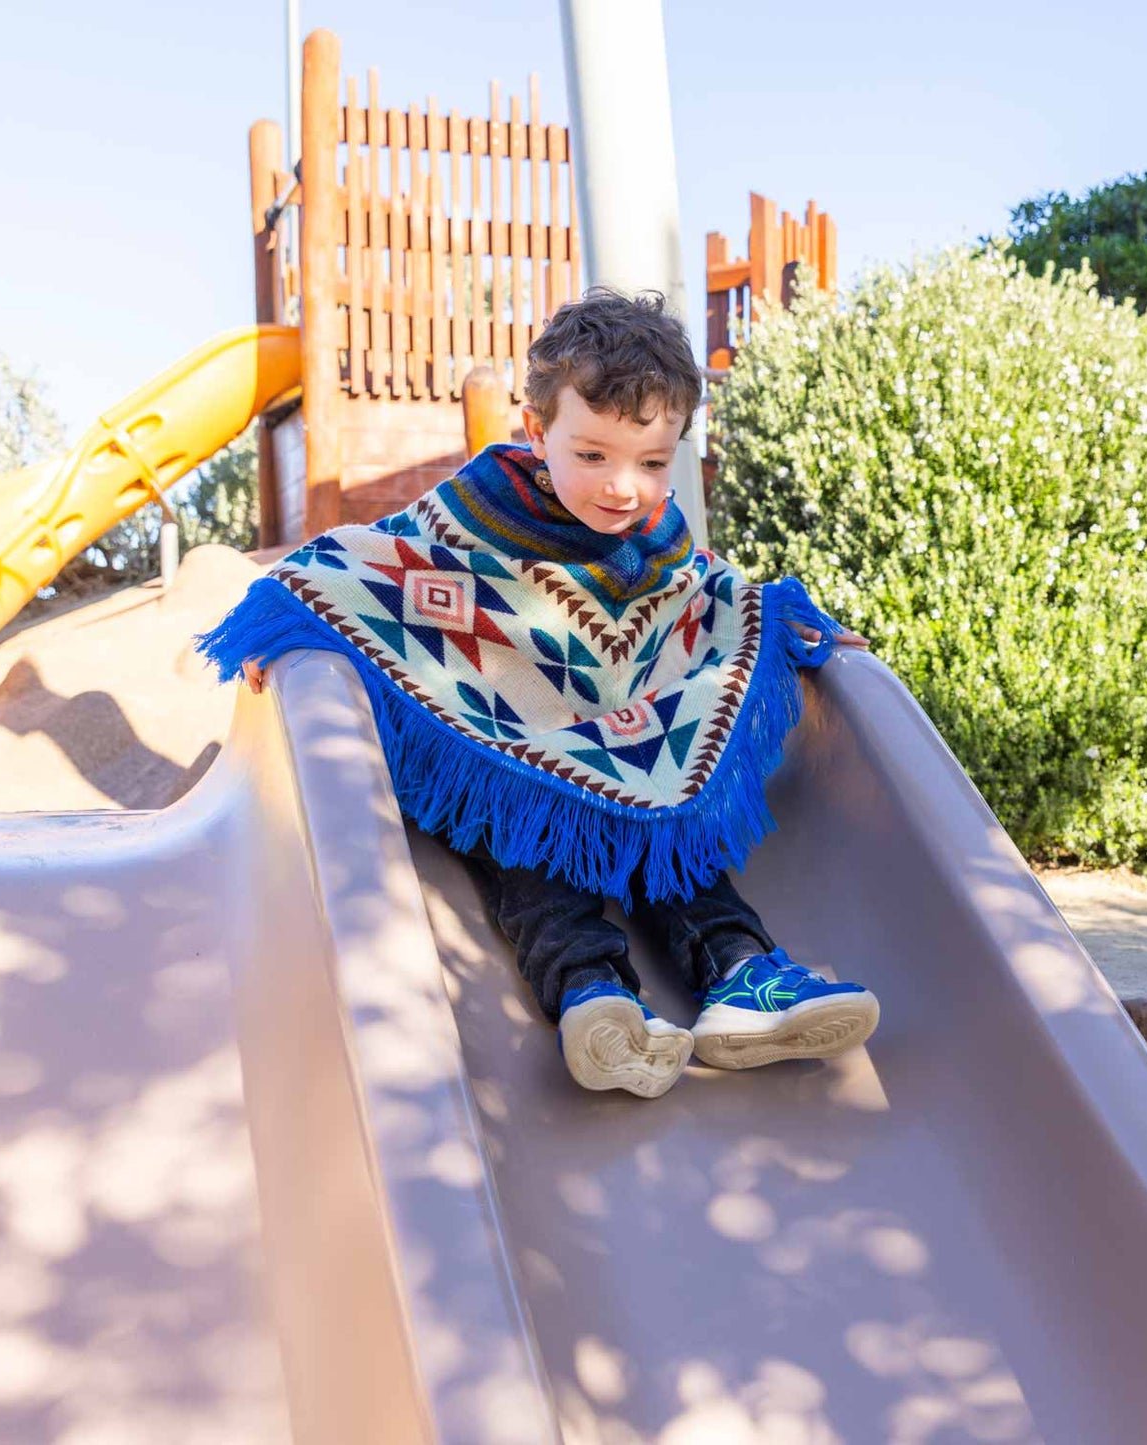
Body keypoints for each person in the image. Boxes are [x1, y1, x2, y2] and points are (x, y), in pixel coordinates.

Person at [201, 287, 879, 1099]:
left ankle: (742, 977)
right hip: (510, 747)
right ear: (536, 430)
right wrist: (289, 614)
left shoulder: (658, 540)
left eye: (652, 461)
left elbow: (708, 598)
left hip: (624, 747)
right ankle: (594, 997)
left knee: (679, 843)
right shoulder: (476, 511)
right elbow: (376, 560)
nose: (623, 486)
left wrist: (783, 618)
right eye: (591, 454)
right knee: (527, 862)